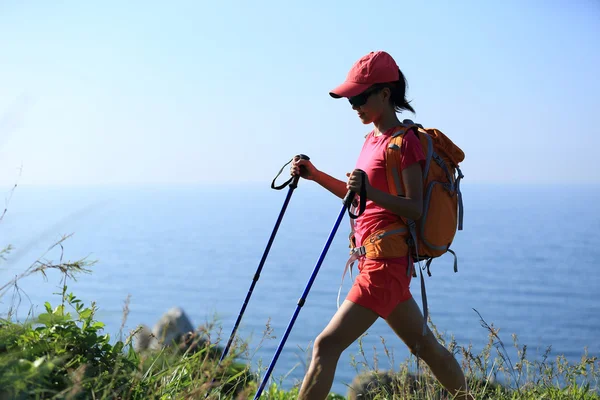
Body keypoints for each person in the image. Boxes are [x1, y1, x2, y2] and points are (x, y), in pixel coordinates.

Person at [290, 51, 473, 400]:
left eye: (360, 97)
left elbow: (415, 208)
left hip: (385, 264)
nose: (353, 104)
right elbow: (357, 197)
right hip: (376, 261)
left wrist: (370, 190)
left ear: (385, 94)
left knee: (325, 345)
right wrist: (314, 176)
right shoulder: (371, 140)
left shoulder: (405, 144)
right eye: (350, 98)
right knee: (427, 348)